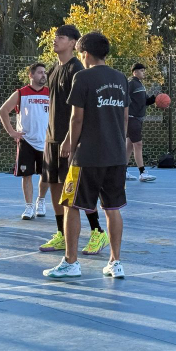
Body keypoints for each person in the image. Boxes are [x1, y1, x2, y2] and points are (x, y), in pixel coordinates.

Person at [44, 32, 129, 279]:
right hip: (116, 155)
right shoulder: (120, 78)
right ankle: (115, 262)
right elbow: (124, 118)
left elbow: (76, 117)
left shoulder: (82, 77)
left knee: (71, 206)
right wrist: (117, 144)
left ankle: (71, 263)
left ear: (86, 54)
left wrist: (69, 143)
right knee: (112, 208)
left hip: (87, 156)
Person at [39, 25, 107, 255]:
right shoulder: (52, 70)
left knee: (76, 191)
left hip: (71, 141)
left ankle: (98, 232)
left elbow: (80, 112)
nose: (55, 39)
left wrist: (71, 140)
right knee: (56, 186)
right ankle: (61, 234)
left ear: (73, 43)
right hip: (52, 138)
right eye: (55, 35)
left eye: (61, 37)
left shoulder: (77, 69)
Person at [0, 62, 50, 220]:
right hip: (27, 140)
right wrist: (12, 132)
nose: (43, 75)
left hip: (47, 141)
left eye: (45, 73)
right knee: (26, 174)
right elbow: (3, 111)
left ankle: (40, 201)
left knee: (46, 175)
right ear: (31, 75)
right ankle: (29, 206)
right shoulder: (21, 93)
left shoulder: (50, 93)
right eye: (40, 72)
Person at [125, 62, 157, 182]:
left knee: (129, 145)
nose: (144, 72)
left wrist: (155, 98)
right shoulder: (131, 83)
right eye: (141, 70)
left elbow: (144, 102)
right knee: (138, 145)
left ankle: (122, 171)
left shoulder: (140, 85)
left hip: (138, 118)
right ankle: (142, 172)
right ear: (135, 72)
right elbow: (124, 97)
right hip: (132, 118)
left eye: (144, 70)